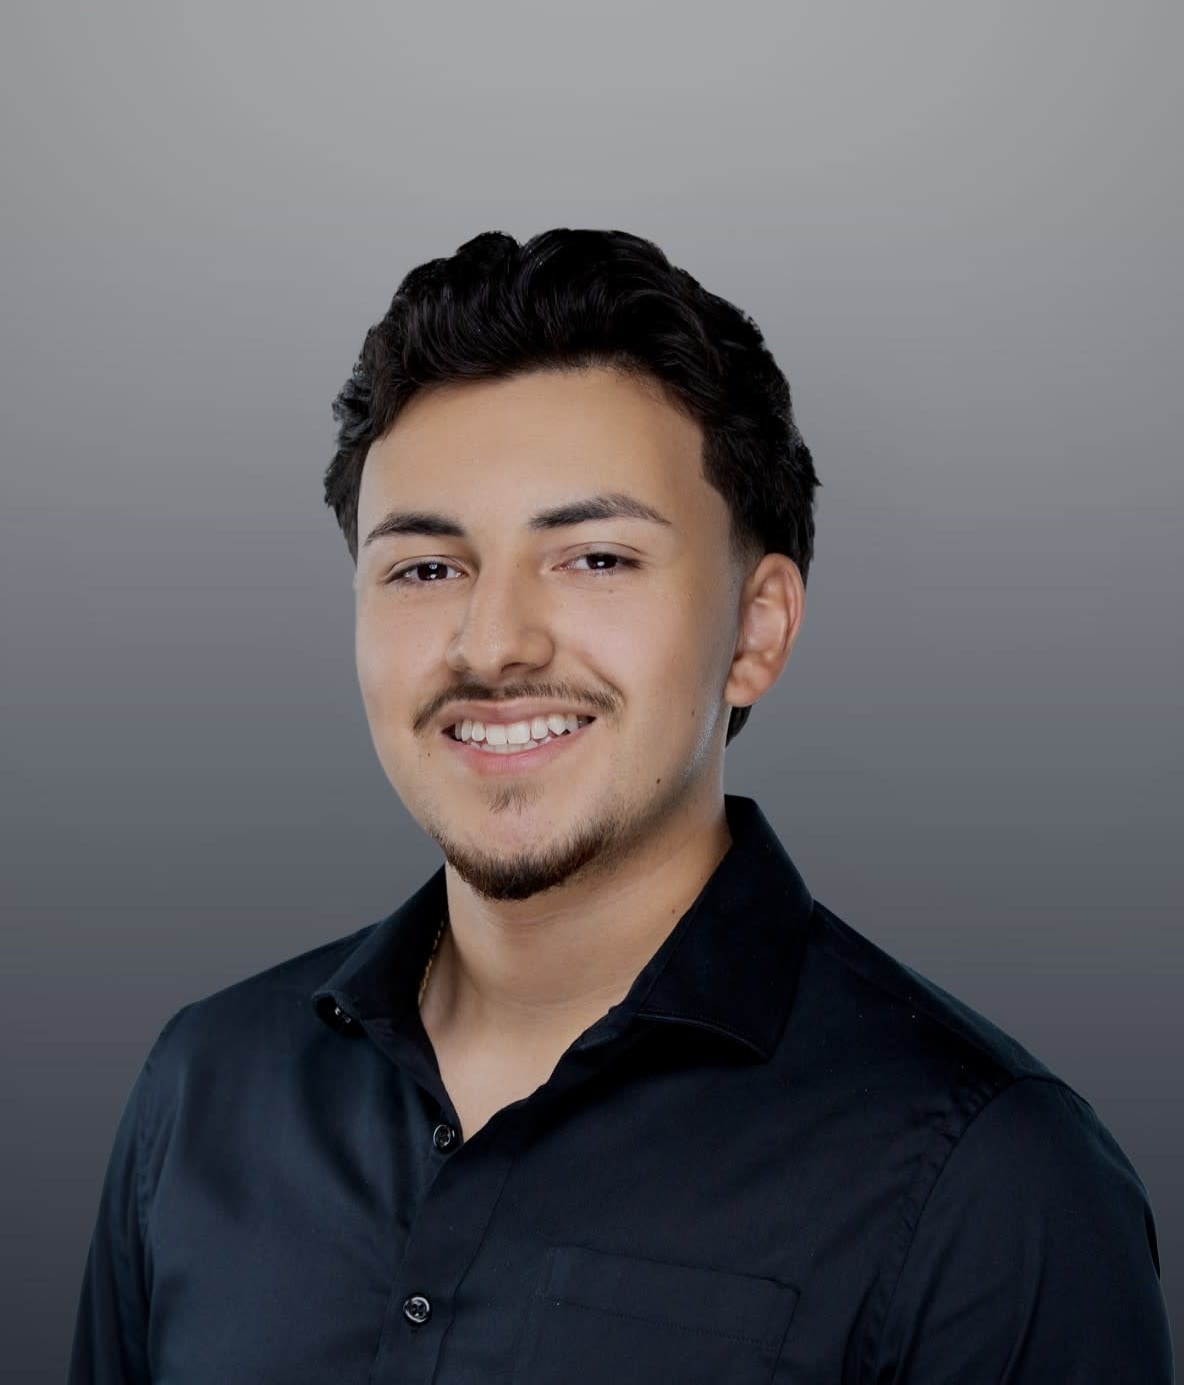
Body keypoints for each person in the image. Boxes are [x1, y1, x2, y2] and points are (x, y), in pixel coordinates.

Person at [69, 228, 1173, 1382]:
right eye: (426, 567)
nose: (491, 643)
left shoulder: (991, 1181)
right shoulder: (201, 1089)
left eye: (593, 557)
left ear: (755, 629)